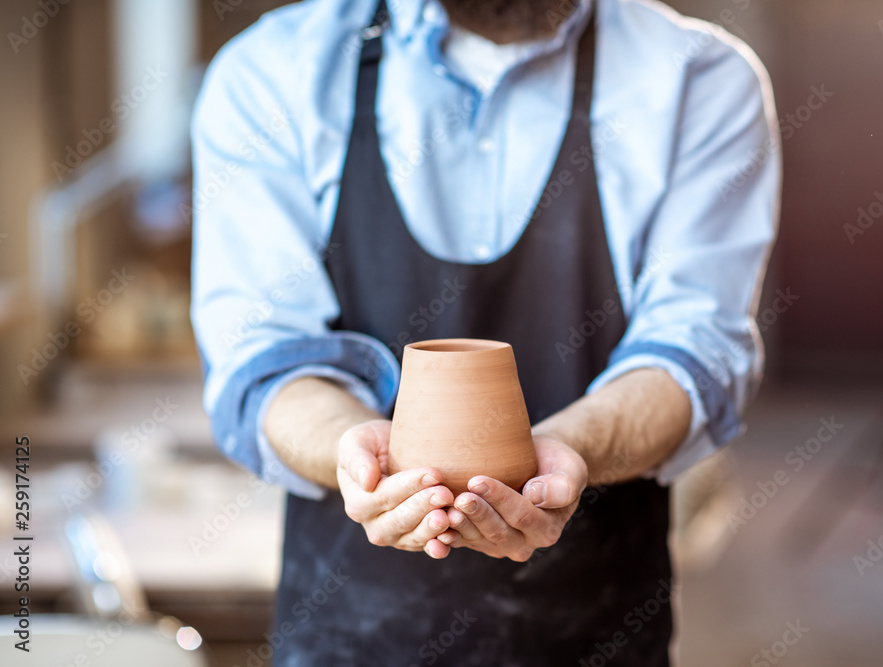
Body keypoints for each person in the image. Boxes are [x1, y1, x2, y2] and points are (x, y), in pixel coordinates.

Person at [190, 0, 780, 663]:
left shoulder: (698, 80)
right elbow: (266, 357)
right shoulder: (272, 74)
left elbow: (695, 350)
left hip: (595, 626)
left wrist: (567, 449)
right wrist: (352, 453)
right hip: (352, 634)